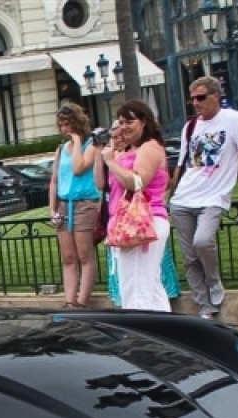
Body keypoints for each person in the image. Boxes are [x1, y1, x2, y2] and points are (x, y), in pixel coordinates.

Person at [168, 76, 238, 319]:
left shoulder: (233, 119)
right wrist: (171, 195)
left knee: (203, 241)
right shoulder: (190, 127)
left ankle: (214, 282)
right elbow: (182, 163)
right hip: (184, 198)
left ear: (216, 96)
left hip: (213, 197)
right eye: (192, 98)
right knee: (190, 257)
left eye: (201, 97)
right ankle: (204, 305)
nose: (195, 103)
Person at [97, 100, 172, 312]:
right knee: (148, 286)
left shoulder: (150, 147)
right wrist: (105, 154)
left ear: (144, 122)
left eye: (129, 121)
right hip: (129, 223)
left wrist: (112, 162)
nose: (124, 127)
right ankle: (166, 335)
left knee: (137, 288)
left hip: (144, 222)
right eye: (120, 122)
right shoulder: (128, 151)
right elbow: (100, 184)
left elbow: (137, 183)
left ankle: (143, 336)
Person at [49, 103, 103, 308]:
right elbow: (54, 180)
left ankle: (81, 301)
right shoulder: (61, 149)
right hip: (64, 204)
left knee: (84, 254)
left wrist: (78, 140)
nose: (64, 129)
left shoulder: (90, 145)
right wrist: (52, 208)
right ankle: (69, 299)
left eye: (67, 124)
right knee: (69, 256)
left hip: (84, 203)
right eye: (61, 125)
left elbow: (79, 168)